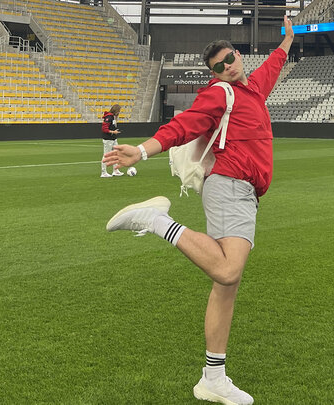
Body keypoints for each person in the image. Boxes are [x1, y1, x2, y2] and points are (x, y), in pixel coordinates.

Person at [102, 15, 294, 405]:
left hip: (244, 193)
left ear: (239, 55)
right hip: (230, 186)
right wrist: (141, 150)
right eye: (218, 66)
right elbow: (184, 126)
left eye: (229, 59)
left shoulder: (253, 88)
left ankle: (213, 378)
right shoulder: (219, 92)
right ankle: (157, 221)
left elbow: (274, 63)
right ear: (213, 73)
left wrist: (288, 39)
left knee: (226, 285)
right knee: (228, 270)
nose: (226, 67)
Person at [101, 104, 123, 178]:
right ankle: (103, 172)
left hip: (113, 139)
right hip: (108, 139)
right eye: (119, 111)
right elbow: (104, 129)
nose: (119, 112)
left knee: (116, 154)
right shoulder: (109, 117)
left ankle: (115, 171)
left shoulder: (113, 117)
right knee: (106, 155)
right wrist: (113, 132)